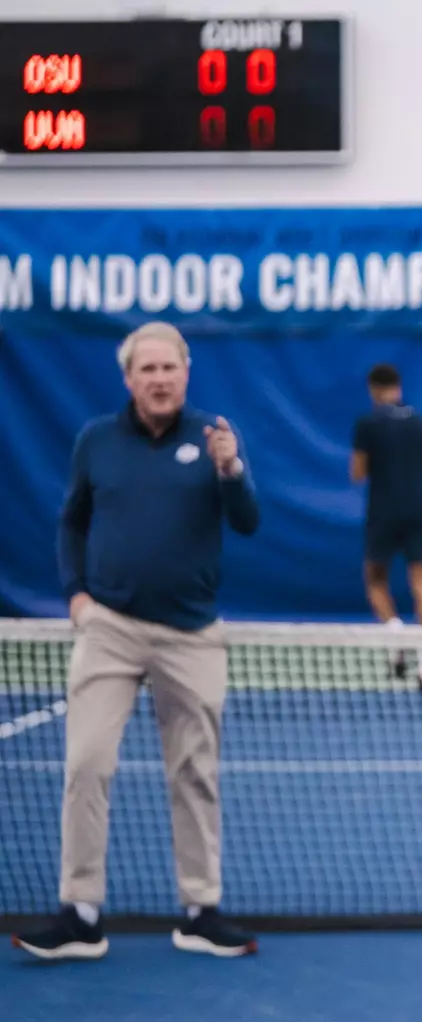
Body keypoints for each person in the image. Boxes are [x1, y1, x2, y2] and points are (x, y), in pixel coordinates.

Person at [12, 321, 261, 961]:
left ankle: (201, 910)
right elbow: (72, 522)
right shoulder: (96, 440)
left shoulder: (214, 440)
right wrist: (77, 595)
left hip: (193, 636)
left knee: (195, 774)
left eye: (169, 368)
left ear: (186, 372)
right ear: (129, 379)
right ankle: (81, 914)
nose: (159, 379)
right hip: (111, 631)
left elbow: (248, 521)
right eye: (146, 369)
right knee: (87, 764)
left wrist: (232, 470)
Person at [350, 362, 422, 689]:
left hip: (382, 513)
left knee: (375, 580)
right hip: (419, 513)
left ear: (373, 390)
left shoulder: (368, 423)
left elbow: (358, 473)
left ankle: (395, 632)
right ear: (398, 386)